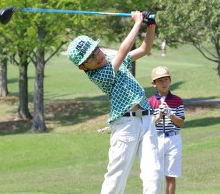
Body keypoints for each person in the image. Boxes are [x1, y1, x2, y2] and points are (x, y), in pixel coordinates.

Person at [67, 11, 161, 194]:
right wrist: (137, 22)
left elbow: (144, 50)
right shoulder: (100, 75)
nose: (98, 56)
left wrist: (150, 26)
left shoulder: (109, 61)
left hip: (147, 120)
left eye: (96, 50)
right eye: (91, 58)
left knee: (154, 174)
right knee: (116, 179)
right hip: (126, 125)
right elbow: (124, 50)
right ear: (83, 67)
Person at [148, 66, 185, 194]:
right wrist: (159, 116)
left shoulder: (177, 101)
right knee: (154, 174)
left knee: (171, 175)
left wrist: (170, 114)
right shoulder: (150, 102)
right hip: (156, 139)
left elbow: (180, 123)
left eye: (166, 80)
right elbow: (149, 125)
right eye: (160, 81)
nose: (164, 83)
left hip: (173, 139)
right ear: (154, 84)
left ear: (170, 80)